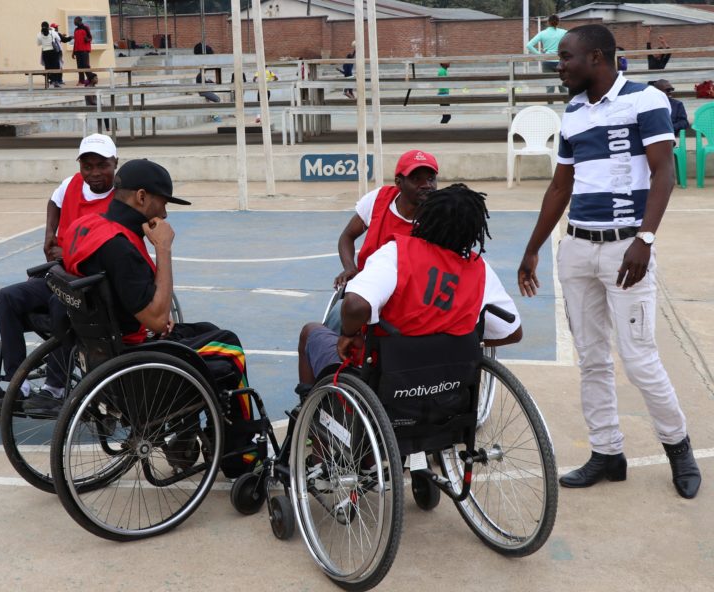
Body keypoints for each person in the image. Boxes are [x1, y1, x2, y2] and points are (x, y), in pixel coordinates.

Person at [517, 24, 701, 499]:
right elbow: (561, 186)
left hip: (626, 248)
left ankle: (678, 446)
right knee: (592, 359)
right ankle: (607, 452)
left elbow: (664, 172)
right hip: (576, 248)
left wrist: (644, 238)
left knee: (639, 358)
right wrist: (534, 246)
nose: (559, 67)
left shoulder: (645, 101)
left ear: (596, 58)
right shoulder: (574, 111)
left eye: (566, 58)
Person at [56, 159, 248, 401]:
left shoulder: (84, 226)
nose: (165, 213)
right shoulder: (120, 248)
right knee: (230, 346)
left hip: (101, 345)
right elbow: (157, 321)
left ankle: (188, 434)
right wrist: (163, 248)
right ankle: (240, 434)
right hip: (133, 356)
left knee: (206, 330)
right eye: (163, 203)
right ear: (142, 197)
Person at [306, 184, 522, 388]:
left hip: (390, 384)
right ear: (474, 232)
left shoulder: (397, 253)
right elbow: (512, 332)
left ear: (425, 218)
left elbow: (355, 306)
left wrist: (348, 334)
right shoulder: (479, 269)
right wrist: (458, 342)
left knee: (311, 332)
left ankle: (309, 417)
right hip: (448, 389)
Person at [0, 135, 117, 412]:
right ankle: (17, 384)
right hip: (60, 274)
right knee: (8, 298)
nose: (94, 172)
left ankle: (55, 388)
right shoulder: (72, 184)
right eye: (88, 166)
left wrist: (70, 253)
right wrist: (50, 233)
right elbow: (54, 201)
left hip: (94, 284)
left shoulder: (122, 199)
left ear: (115, 164)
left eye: (102, 165)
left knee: (60, 302)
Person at [296, 150, 438, 387]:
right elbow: (347, 237)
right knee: (338, 315)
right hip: (367, 295)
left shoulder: (439, 215)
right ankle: (323, 387)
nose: (426, 185)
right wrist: (350, 267)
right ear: (399, 182)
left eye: (431, 178)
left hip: (406, 301)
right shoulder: (378, 201)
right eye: (417, 178)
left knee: (319, 330)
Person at [527, 15, 567, 94]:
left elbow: (529, 45)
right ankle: (565, 105)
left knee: (549, 87)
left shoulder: (543, 33)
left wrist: (540, 55)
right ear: (558, 22)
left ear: (548, 22)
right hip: (560, 61)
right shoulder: (564, 32)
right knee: (563, 86)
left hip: (547, 61)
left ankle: (550, 104)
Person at [37, 21, 64, 88]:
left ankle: (48, 82)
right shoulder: (52, 32)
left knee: (48, 67)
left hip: (45, 52)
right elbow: (59, 39)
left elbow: (38, 44)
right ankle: (56, 82)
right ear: (48, 26)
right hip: (53, 52)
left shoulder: (39, 34)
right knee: (55, 66)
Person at [72, 16, 93, 86]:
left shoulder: (86, 28)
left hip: (84, 50)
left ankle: (91, 79)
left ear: (79, 21)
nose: (74, 22)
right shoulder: (75, 30)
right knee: (79, 66)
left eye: (75, 21)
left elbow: (90, 37)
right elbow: (75, 42)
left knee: (86, 65)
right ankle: (81, 81)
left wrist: (87, 39)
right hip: (77, 51)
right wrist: (73, 52)